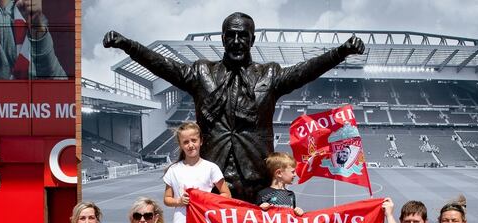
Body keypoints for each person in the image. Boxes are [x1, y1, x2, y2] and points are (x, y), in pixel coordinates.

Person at [104, 12, 364, 203]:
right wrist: (130, 46)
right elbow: (164, 65)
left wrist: (339, 53)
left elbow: (304, 71)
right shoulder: (201, 72)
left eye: (243, 36)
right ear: (223, 38)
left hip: (257, 183)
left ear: (252, 39)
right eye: (232, 35)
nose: (237, 41)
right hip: (212, 184)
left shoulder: (269, 75)